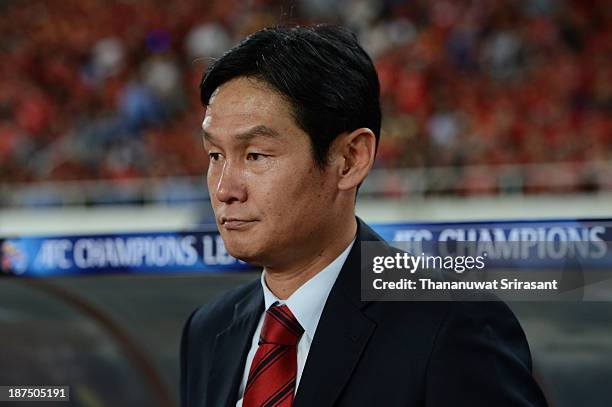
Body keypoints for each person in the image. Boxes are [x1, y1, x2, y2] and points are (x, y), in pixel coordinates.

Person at [180, 25, 548, 407]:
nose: (224, 189)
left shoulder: (451, 323)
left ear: (350, 159)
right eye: (215, 156)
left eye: (255, 155)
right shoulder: (208, 331)